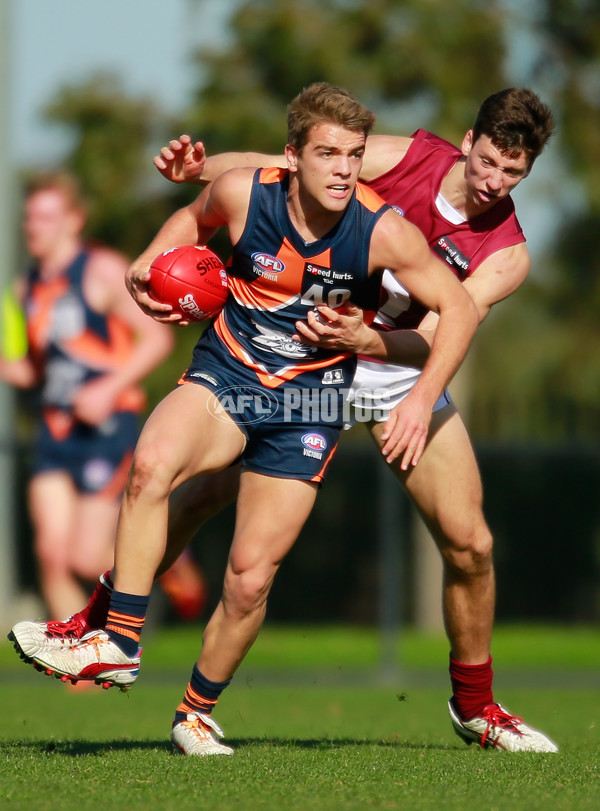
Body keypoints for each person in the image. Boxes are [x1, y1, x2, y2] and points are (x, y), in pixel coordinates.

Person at [8, 82, 478, 756]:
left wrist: (414, 389)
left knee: (250, 576)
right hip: (228, 374)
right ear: (293, 156)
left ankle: (196, 711)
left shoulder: (383, 232)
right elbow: (190, 220)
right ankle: (116, 639)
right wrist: (147, 262)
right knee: (150, 466)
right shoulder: (243, 192)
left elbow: (456, 309)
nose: (344, 169)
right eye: (327, 154)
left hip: (309, 404)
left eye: (353, 155)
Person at [0, 172, 176, 621]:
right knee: (51, 556)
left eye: (46, 217)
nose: (33, 227)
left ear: (74, 221)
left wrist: (108, 387)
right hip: (54, 432)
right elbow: (36, 370)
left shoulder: (100, 270)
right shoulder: (26, 290)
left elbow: (157, 340)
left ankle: (170, 561)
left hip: (108, 427)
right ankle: (79, 673)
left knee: (83, 558)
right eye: (29, 218)